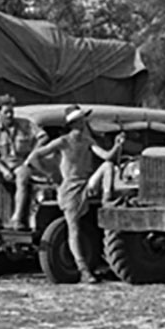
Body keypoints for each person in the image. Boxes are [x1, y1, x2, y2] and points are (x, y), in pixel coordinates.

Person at [26, 105, 124, 284]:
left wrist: (118, 145)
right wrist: (51, 174)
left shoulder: (87, 140)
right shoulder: (63, 142)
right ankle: (83, 269)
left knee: (108, 167)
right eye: (80, 120)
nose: (83, 123)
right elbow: (34, 157)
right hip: (69, 188)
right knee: (74, 228)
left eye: (83, 120)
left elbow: (106, 157)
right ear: (73, 123)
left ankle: (107, 199)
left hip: (86, 184)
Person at [0, 94, 47, 231]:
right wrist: (4, 170)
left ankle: (16, 218)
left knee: (22, 178)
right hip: (4, 163)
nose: (10, 115)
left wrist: (32, 155)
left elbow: (43, 137)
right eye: (6, 112)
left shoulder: (25, 124)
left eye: (11, 111)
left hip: (22, 163)